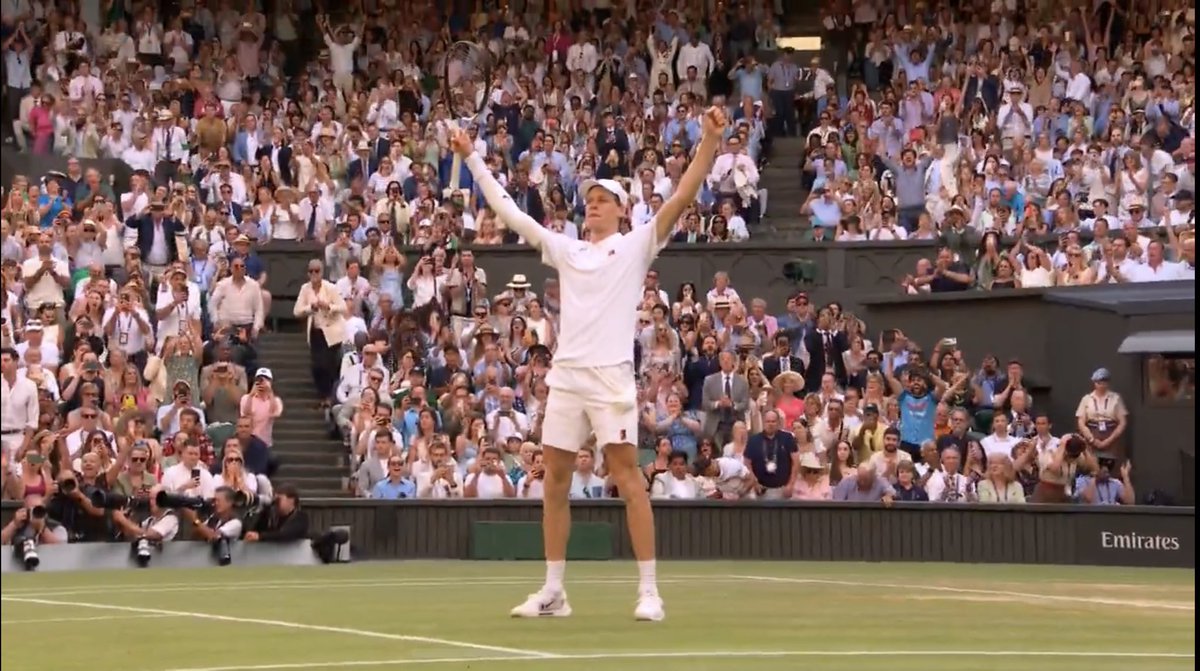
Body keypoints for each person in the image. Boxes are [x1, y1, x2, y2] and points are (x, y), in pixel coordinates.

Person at [451, 106, 729, 622]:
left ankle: (649, 591)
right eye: (590, 200)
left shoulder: (636, 244)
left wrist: (710, 141)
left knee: (627, 477)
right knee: (554, 479)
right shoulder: (567, 250)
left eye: (603, 200)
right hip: (566, 379)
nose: (593, 205)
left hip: (611, 379)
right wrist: (472, 158)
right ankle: (554, 591)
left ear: (622, 210)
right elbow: (510, 213)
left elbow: (681, 197)